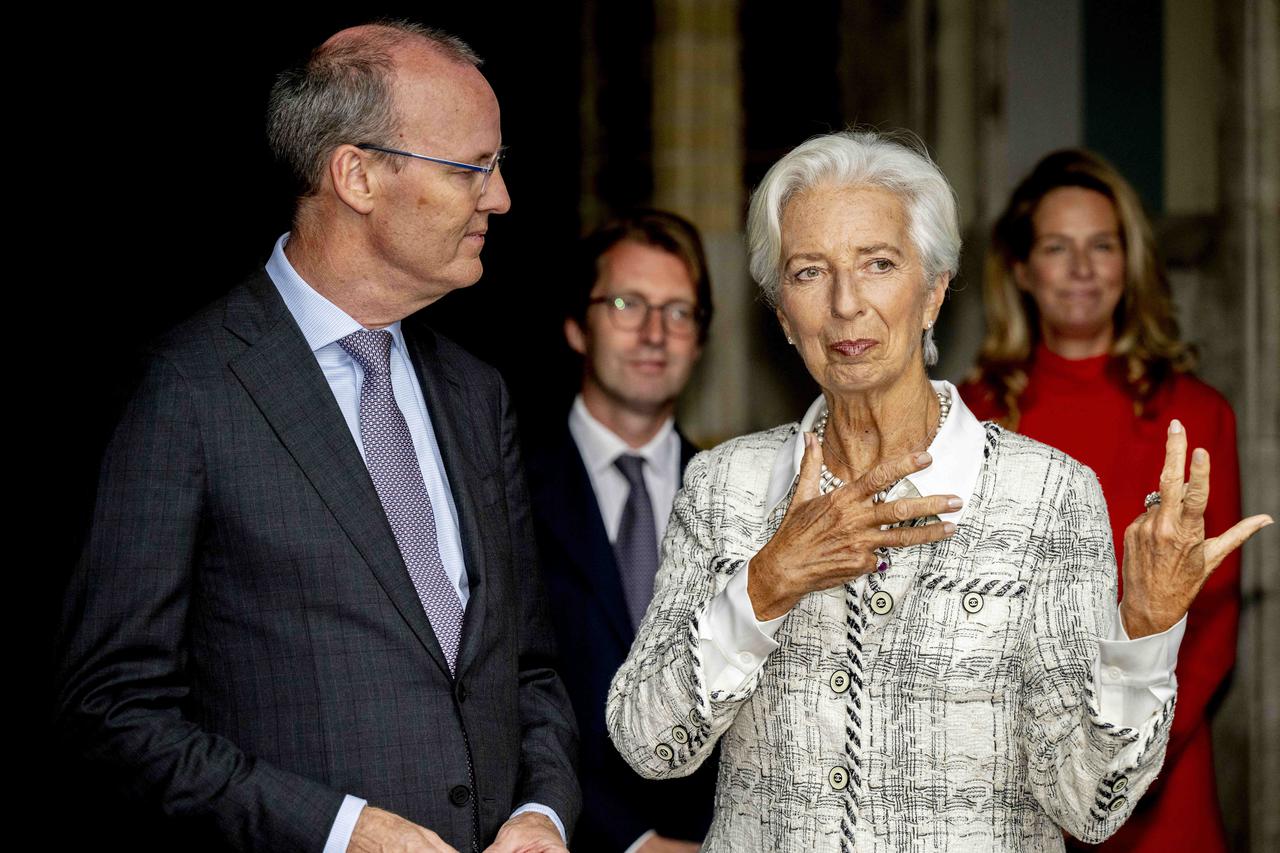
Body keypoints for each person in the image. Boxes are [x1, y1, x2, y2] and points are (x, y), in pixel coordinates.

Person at [604, 130, 1272, 852]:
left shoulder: (1047, 492)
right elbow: (648, 744)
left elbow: (1090, 803)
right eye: (808, 272)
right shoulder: (722, 485)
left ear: (933, 291)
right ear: (781, 316)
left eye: (879, 264)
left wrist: (1143, 631)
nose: (846, 303)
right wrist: (765, 583)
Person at [55, 22, 578, 853]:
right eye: (473, 167)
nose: (501, 197)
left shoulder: (478, 394)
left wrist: (542, 813)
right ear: (357, 174)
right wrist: (341, 831)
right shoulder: (187, 389)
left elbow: (529, 670)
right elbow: (111, 709)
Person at [959, 148, 1242, 853]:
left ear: (1130, 263)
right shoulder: (971, 416)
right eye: (1058, 247)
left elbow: (1211, 612)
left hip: (1160, 786)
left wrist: (1128, 760)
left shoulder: (1197, 412)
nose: (1082, 269)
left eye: (1101, 246)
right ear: (1022, 270)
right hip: (1014, 785)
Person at [526, 211, 716, 852]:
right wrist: (631, 841)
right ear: (578, 326)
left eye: (679, 312)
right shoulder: (505, 484)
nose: (655, 333)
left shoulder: (742, 496)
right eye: (628, 304)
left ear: (699, 340)